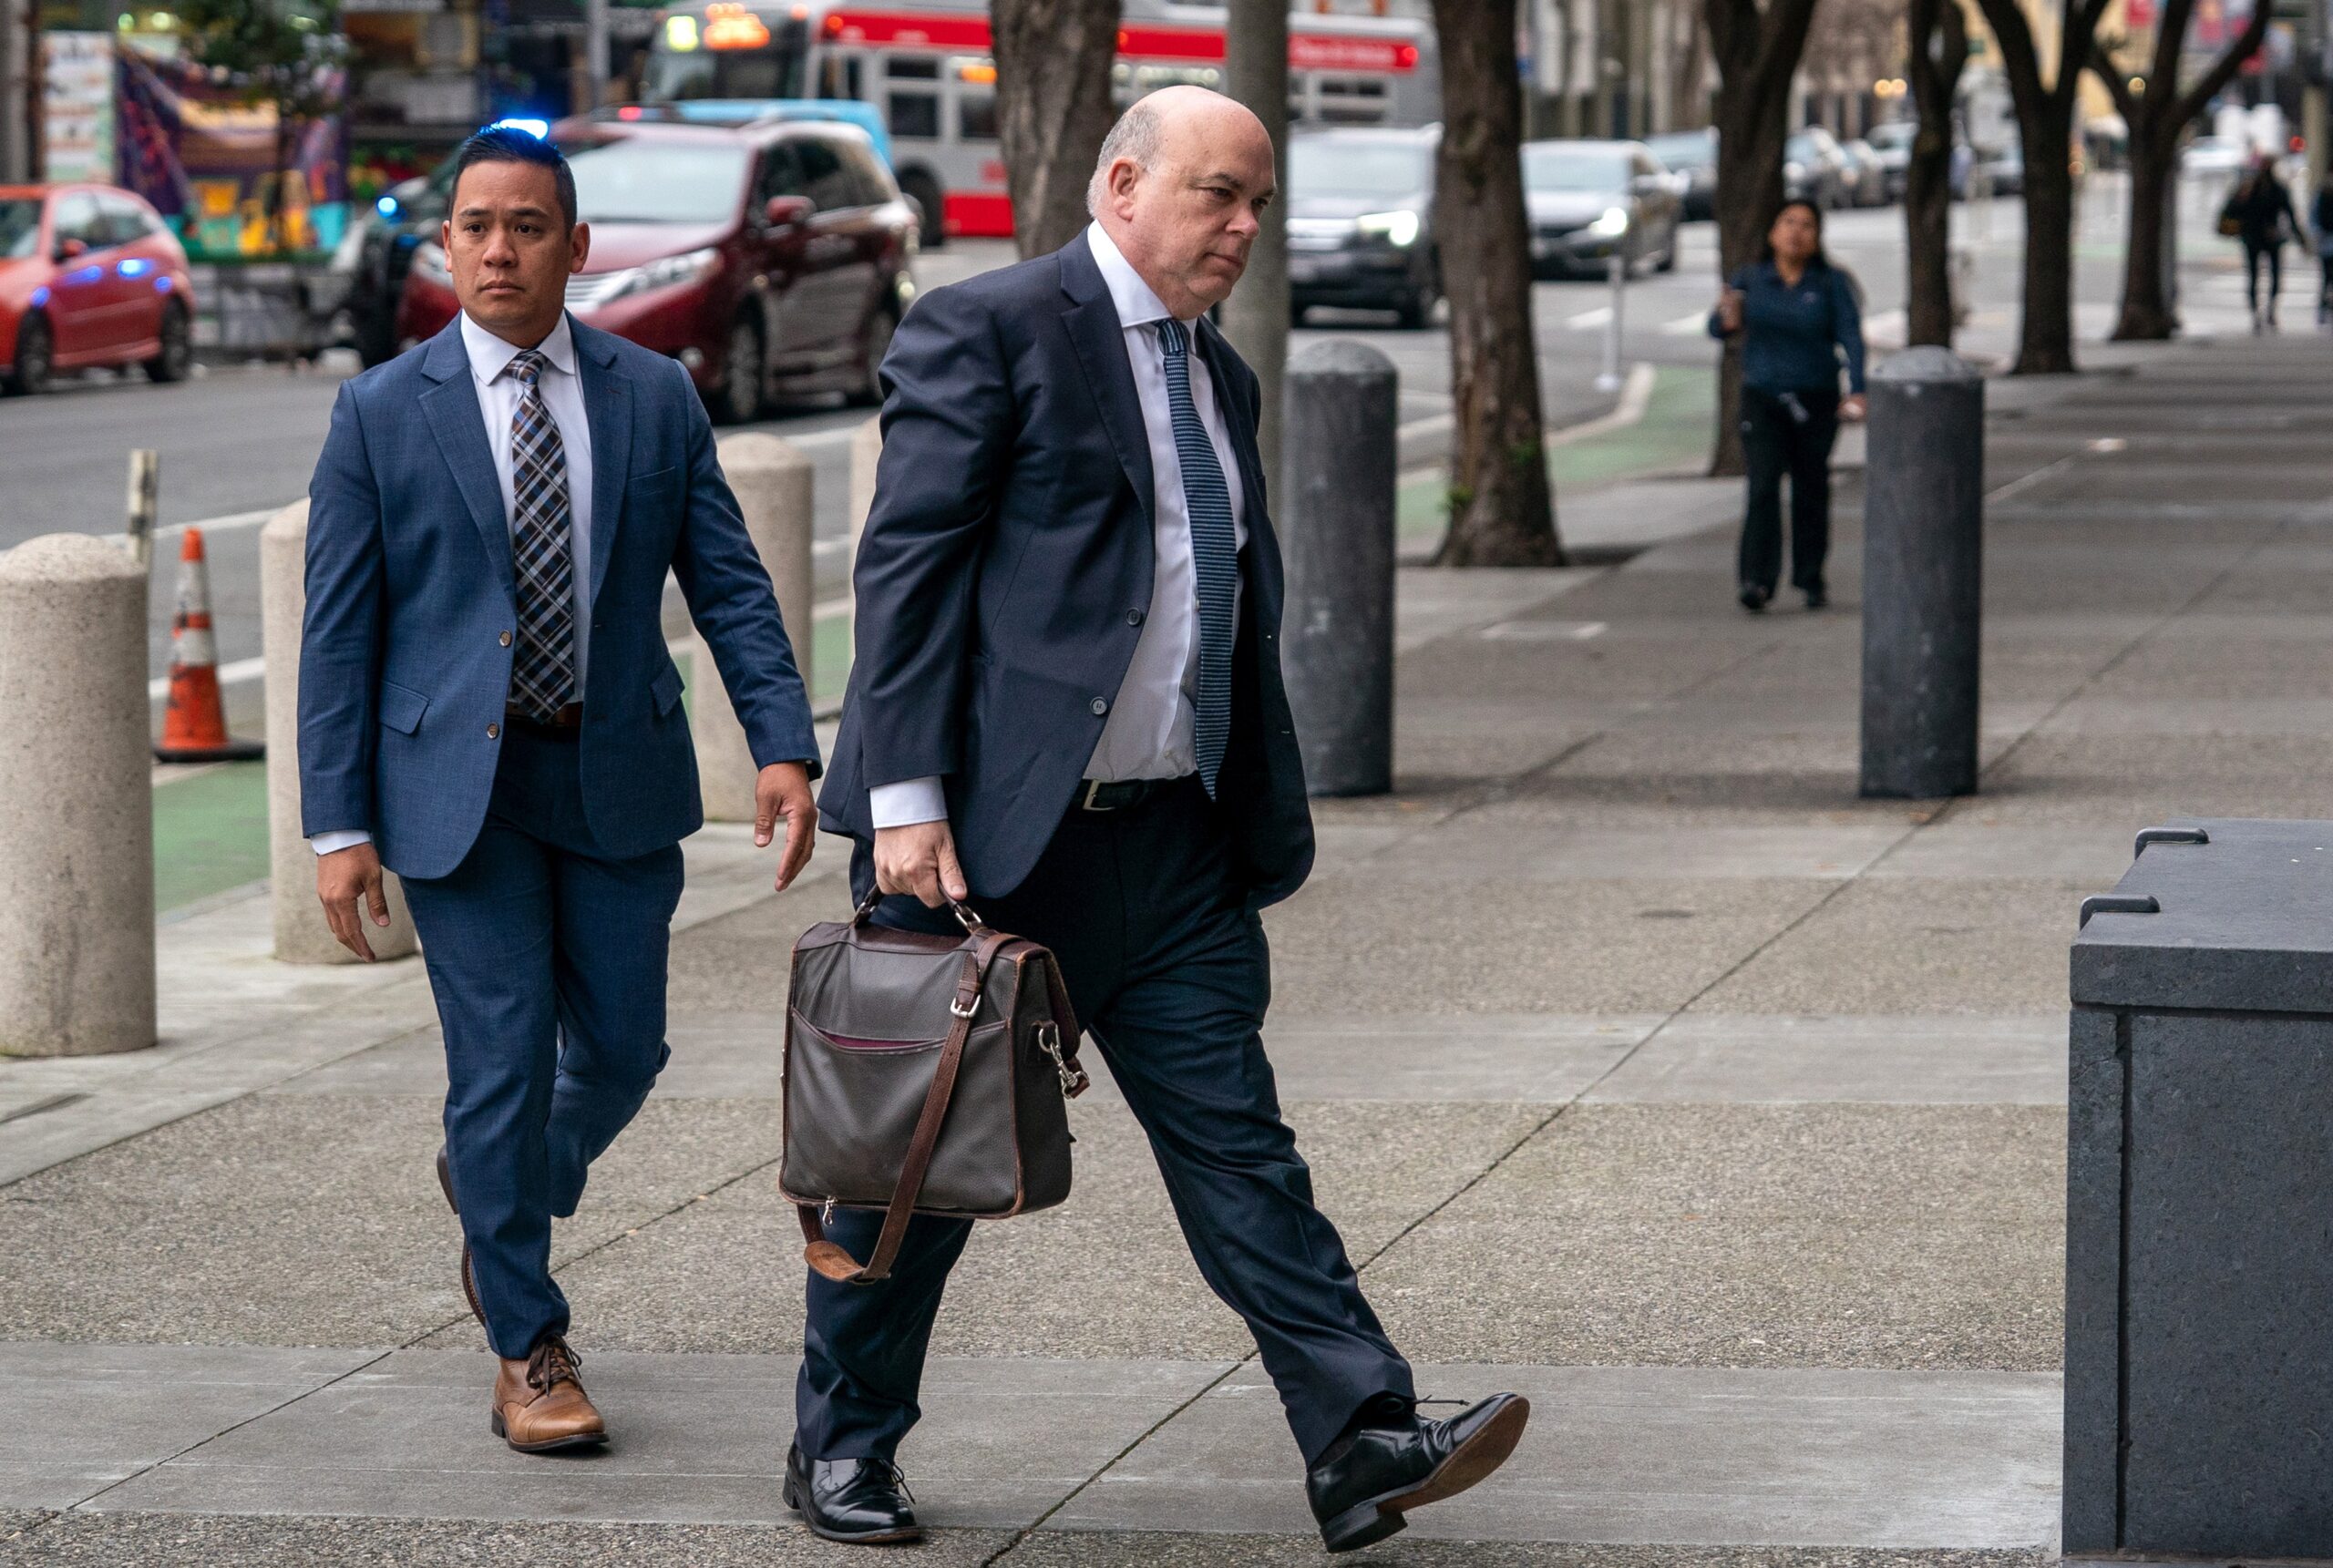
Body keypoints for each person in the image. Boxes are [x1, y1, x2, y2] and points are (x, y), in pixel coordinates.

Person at [803, 86, 1529, 1553]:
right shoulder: (988, 327)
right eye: (1218, 197)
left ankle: (1359, 1436)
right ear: (1122, 183)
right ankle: (845, 1451)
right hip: (988, 851)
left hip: (1174, 847)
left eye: (1258, 202)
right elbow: (908, 579)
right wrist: (900, 806)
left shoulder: (1220, 377)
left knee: (1242, 1152)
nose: (1244, 229)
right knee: (915, 1170)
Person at [300, 126, 820, 1452]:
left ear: (575, 249)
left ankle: (499, 1194)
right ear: (447, 241)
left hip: (614, 772)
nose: (498, 249)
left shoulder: (653, 394)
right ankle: (528, 1343)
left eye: (528, 226)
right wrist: (340, 827)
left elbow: (730, 585)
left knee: (626, 1048)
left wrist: (781, 741)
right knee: (500, 1060)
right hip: (452, 796)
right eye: (476, 225)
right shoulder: (380, 411)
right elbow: (339, 634)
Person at [1710, 199, 1866, 613]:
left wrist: (1858, 387)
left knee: (1810, 488)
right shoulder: (1751, 280)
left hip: (1816, 399)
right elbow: (1718, 327)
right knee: (1762, 487)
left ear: (1817, 237)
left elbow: (1851, 336)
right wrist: (1726, 316)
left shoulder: (1830, 283)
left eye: (1807, 225)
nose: (1796, 232)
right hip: (1763, 398)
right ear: (1773, 233)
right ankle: (1756, 580)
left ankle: (1810, 575)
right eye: (1788, 222)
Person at [2224, 153, 2300, 332]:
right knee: (2257, 277)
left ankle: (2266, 312)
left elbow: (2288, 213)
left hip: (2264, 237)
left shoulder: (2273, 189)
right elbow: (2234, 210)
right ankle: (2260, 314)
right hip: (2255, 237)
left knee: (2263, 277)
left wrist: (2299, 236)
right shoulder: (2251, 189)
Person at [2311, 171, 2333, 327]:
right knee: (2326, 278)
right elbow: (2314, 219)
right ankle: (2323, 308)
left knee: (2327, 279)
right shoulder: (2322, 196)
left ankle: (2325, 307)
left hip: (2326, 241)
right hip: (2327, 243)